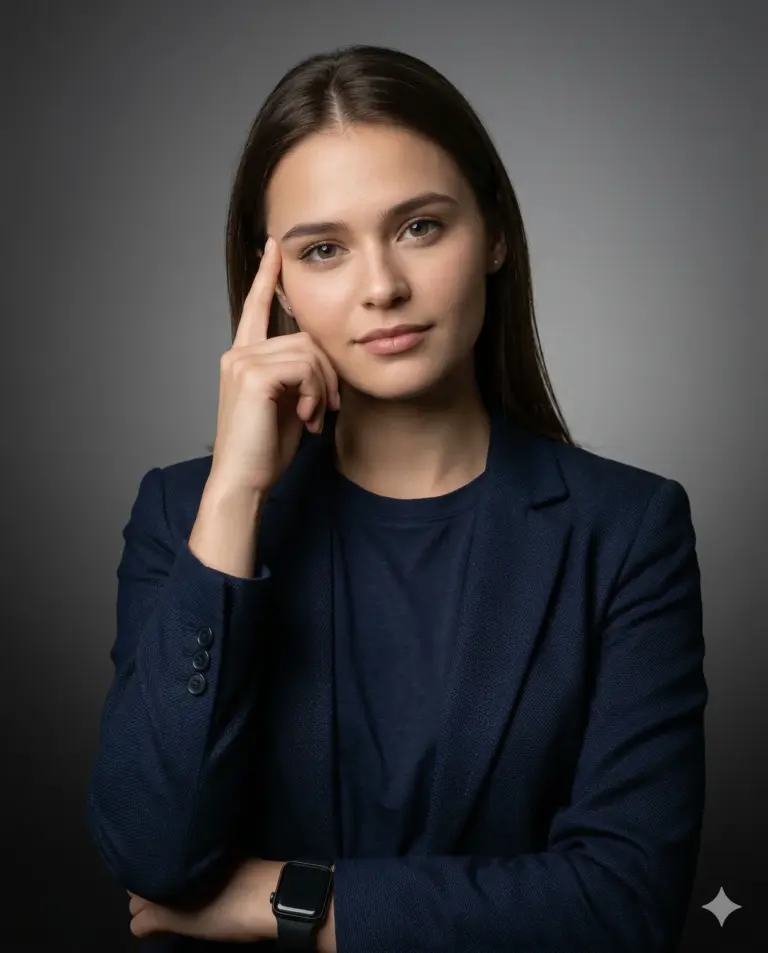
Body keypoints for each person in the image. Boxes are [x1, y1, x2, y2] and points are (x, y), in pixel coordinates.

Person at [85, 44, 708, 953]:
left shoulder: (626, 531)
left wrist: (288, 901)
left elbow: (623, 902)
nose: (382, 287)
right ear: (276, 284)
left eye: (419, 226)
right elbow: (150, 854)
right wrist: (235, 498)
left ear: (493, 233)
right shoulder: (185, 514)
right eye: (324, 249)